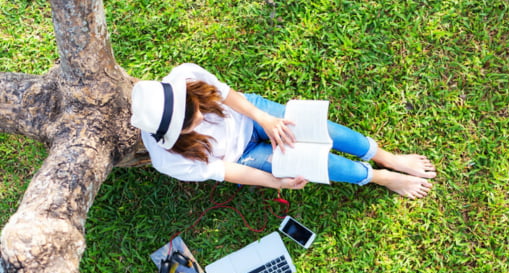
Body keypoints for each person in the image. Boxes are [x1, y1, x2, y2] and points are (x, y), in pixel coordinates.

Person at [130, 63, 436, 199]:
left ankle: (387, 157)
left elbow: (228, 95)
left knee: (321, 130)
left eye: (193, 109)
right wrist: (276, 182)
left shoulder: (185, 76)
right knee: (313, 163)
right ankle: (377, 177)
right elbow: (226, 170)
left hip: (249, 116)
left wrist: (265, 119)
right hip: (242, 155)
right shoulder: (168, 161)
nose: (199, 120)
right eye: (189, 126)